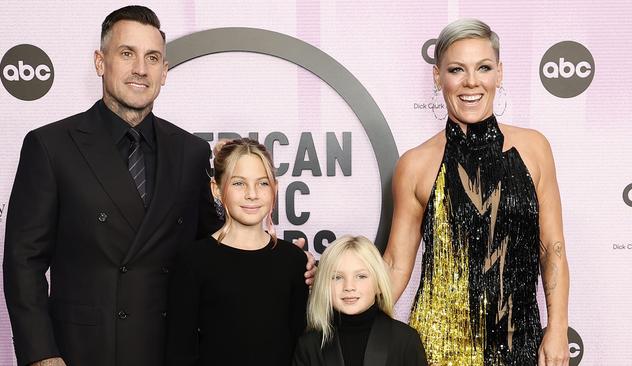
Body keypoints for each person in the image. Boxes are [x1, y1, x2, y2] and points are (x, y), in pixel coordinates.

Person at [3, 6, 314, 366]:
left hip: (168, 349)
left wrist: (287, 261)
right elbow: (23, 261)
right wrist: (42, 353)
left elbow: (216, 245)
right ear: (100, 62)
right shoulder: (51, 145)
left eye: (152, 58)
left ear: (164, 72)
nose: (140, 69)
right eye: (126, 54)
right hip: (82, 351)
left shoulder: (189, 151)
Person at [383, 19, 570, 366]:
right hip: (436, 347)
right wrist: (342, 292)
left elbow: (552, 249)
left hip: (522, 342)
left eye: (483, 68)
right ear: (438, 77)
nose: (471, 82)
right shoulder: (416, 164)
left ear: (499, 73)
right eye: (456, 69)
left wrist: (557, 327)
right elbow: (395, 265)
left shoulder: (534, 148)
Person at [165, 138, 309, 366]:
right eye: (239, 183)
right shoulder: (193, 261)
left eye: (262, 183)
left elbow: (301, 348)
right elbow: (180, 350)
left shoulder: (294, 261)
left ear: (275, 188)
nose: (252, 194)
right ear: (217, 189)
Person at [293, 235, 427, 366]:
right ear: (324, 285)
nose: (349, 287)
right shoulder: (309, 345)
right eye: (337, 277)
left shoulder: (405, 340)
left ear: (379, 284)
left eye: (361, 276)